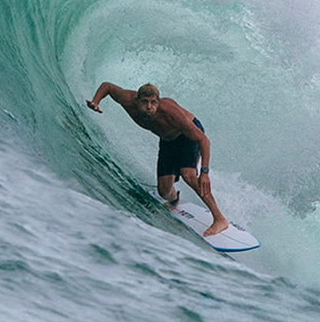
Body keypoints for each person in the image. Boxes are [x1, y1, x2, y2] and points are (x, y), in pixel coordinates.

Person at [85, 81, 229, 237]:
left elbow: (203, 140)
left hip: (188, 135)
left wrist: (205, 173)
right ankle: (174, 201)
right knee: (164, 191)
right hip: (168, 140)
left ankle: (220, 219)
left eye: (153, 103)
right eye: (145, 102)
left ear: (158, 102)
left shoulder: (170, 113)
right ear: (136, 101)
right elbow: (107, 86)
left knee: (188, 175)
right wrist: (95, 102)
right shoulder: (127, 99)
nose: (149, 106)